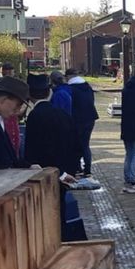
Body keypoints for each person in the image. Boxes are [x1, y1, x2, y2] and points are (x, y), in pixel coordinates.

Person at [24, 74, 87, 242]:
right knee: (60, 212)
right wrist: (69, 170)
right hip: (65, 173)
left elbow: (32, 150)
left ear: (30, 96)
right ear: (49, 92)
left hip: (44, 174)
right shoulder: (62, 114)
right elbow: (77, 145)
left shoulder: (34, 117)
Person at [67, 69, 99, 176]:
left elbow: (70, 105)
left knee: (77, 144)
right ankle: (86, 168)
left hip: (78, 119)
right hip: (90, 117)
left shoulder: (71, 88)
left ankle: (80, 168)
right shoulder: (87, 86)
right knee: (85, 144)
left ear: (69, 77)